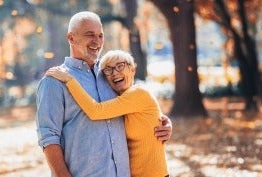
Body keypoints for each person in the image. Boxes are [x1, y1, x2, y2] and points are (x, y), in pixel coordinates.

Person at [35, 11, 172, 177]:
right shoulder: (54, 81)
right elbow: (48, 138)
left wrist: (162, 123)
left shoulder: (110, 74)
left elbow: (134, 107)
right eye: (90, 35)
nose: (97, 41)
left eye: (100, 35)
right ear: (71, 38)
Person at [45, 50, 168, 177]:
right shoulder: (120, 101)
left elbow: (95, 111)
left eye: (120, 66)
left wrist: (69, 79)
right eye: (108, 70)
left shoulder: (139, 94)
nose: (115, 73)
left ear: (132, 70)